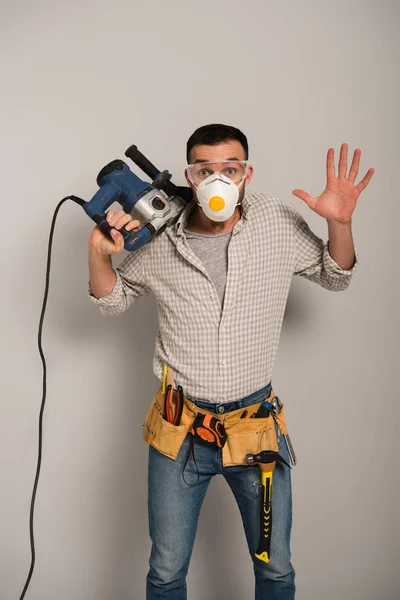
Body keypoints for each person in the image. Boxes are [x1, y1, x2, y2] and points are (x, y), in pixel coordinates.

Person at [87, 124, 374, 600]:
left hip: (254, 429)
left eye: (230, 168)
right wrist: (98, 254)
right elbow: (112, 302)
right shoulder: (159, 236)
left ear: (247, 174)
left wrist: (339, 223)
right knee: (165, 571)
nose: (217, 178)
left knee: (276, 570)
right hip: (179, 433)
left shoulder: (277, 222)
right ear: (189, 175)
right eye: (205, 169)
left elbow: (335, 276)